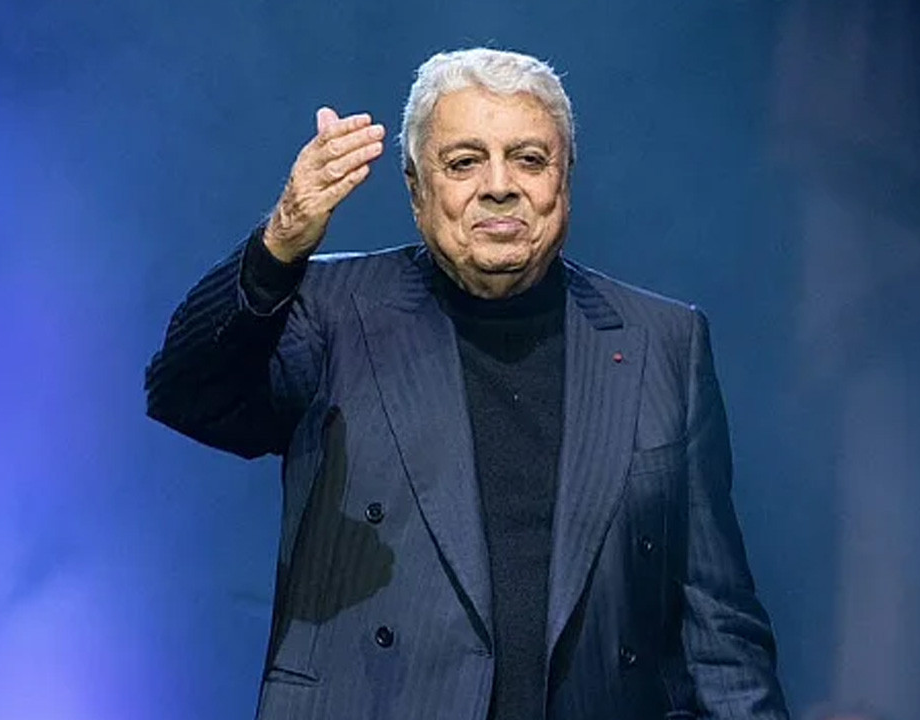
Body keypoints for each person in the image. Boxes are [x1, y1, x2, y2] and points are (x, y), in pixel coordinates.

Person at [145, 47, 787, 720]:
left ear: (565, 177)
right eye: (463, 163)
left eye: (529, 159)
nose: (499, 186)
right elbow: (187, 394)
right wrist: (278, 247)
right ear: (416, 188)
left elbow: (720, 627)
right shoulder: (332, 310)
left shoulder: (665, 342)